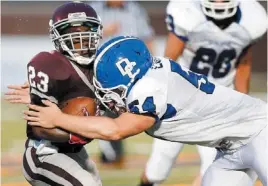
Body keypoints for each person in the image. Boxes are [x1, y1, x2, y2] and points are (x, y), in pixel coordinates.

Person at [24, 36, 267, 186]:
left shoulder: (148, 90)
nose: (109, 101)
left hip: (260, 133)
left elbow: (115, 130)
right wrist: (50, 92)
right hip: (231, 150)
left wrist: (58, 118)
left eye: (110, 92)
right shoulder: (152, 72)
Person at [139, 0, 268, 185]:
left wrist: (243, 105)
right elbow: (167, 62)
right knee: (157, 168)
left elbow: (243, 65)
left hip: (220, 104)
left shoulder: (251, 19)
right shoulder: (188, 14)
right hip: (182, 100)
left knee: (212, 166)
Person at [5, 2, 104, 185]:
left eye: (86, 32)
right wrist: (79, 133)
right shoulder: (48, 65)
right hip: (45, 153)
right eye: (74, 36)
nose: (81, 41)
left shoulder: (102, 65)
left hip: (75, 151)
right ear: (58, 37)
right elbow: (40, 128)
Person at [89, 0, 155, 164]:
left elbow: (147, 37)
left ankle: (117, 152)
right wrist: (102, 31)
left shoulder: (135, 10)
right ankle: (110, 153)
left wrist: (153, 63)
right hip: (102, 72)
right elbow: (83, 38)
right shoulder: (93, 9)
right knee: (103, 111)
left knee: (134, 110)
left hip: (131, 71)